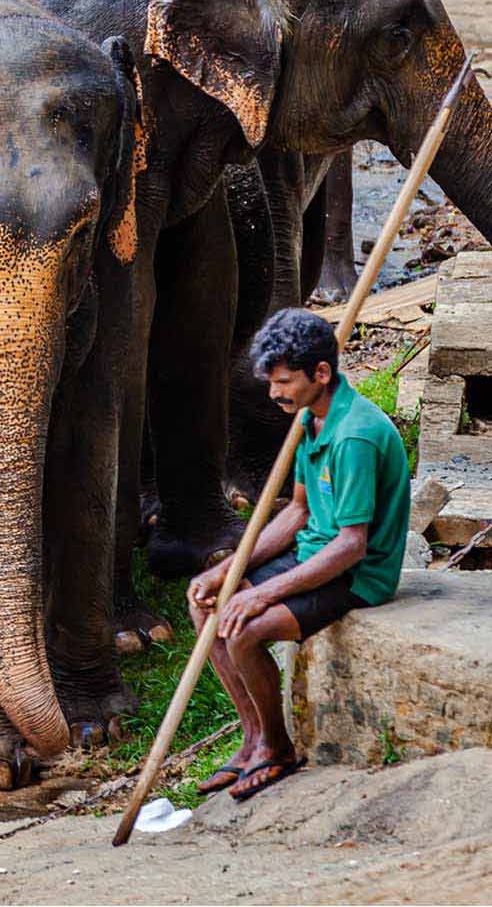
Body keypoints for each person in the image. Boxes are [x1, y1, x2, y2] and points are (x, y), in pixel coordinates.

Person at [188, 307, 410, 800]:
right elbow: (298, 513)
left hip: (356, 573)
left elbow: (352, 545)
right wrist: (231, 570)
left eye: (285, 381)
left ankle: (278, 749)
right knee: (205, 603)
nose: (274, 394)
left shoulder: (354, 434)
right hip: (315, 554)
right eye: (272, 382)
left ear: (322, 374)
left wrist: (262, 594)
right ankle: (252, 740)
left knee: (245, 630)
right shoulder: (310, 418)